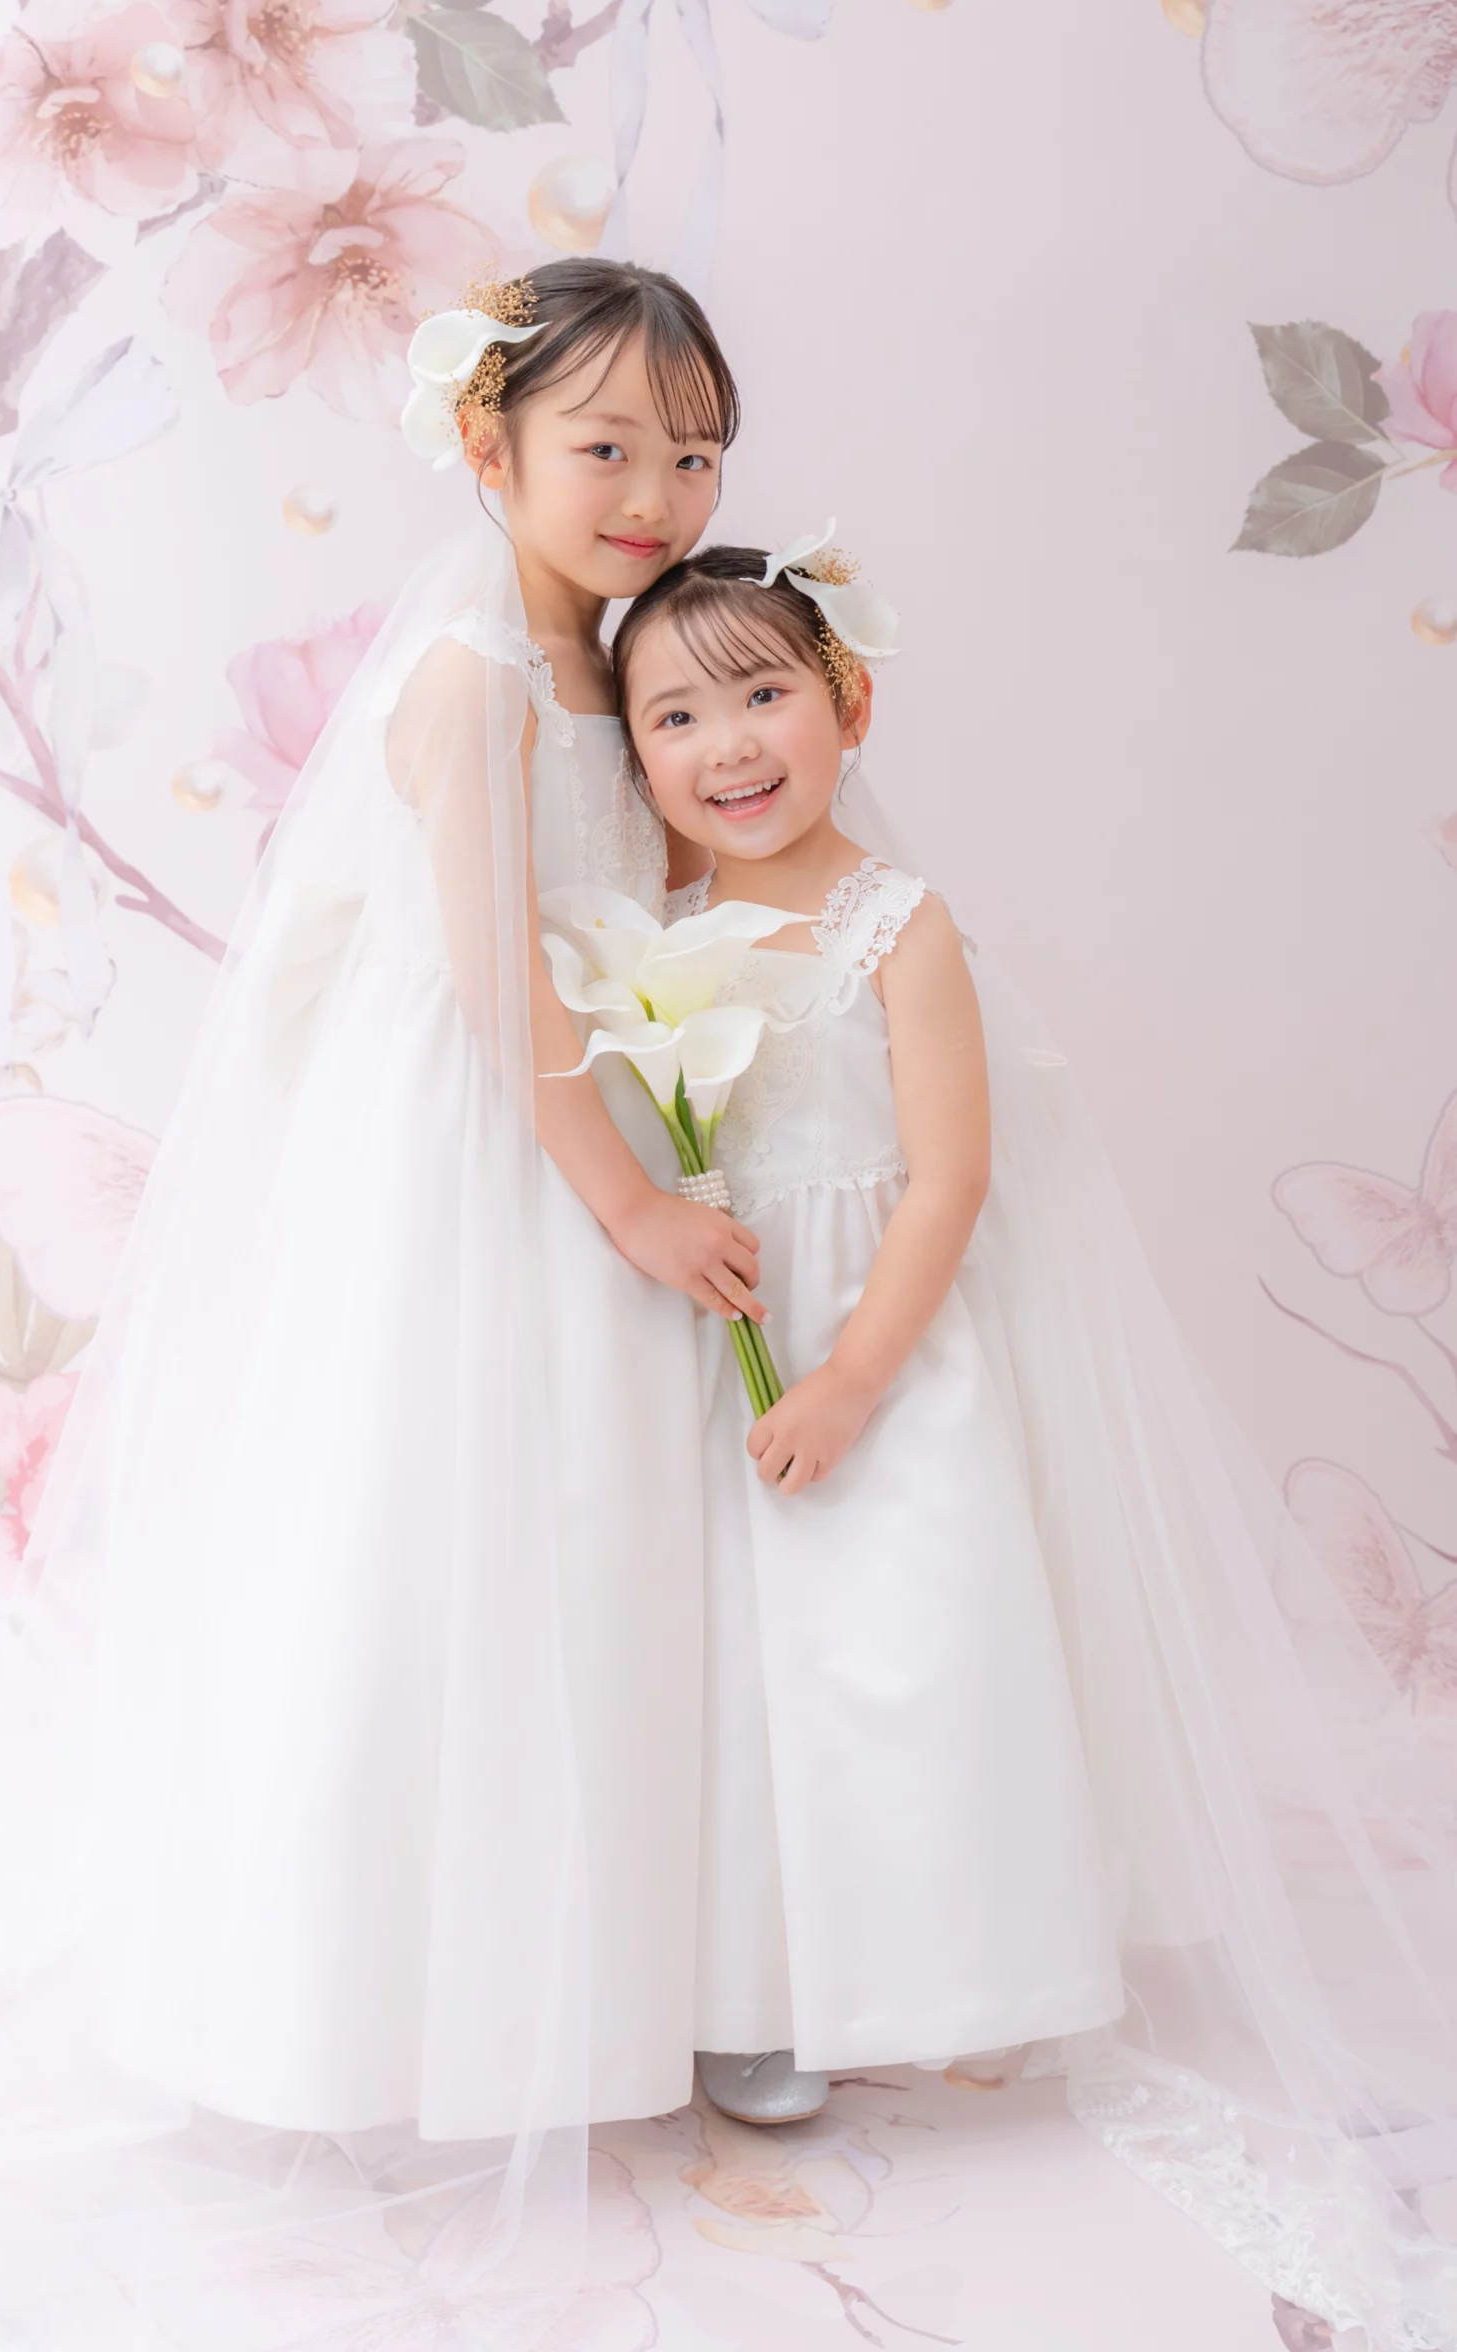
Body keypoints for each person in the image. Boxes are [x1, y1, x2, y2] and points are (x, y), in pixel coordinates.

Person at [0, 261, 761, 2347]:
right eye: (604, 447)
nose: (654, 494)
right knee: (438, 1531)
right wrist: (627, 1203)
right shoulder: (471, 679)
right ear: (484, 446)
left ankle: (630, 1962)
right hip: (478, 1140)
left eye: (692, 454)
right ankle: (370, 1994)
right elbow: (495, 980)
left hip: (592, 1100)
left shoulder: (626, 661)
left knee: (604, 1530)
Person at [595, 534, 1457, 2342]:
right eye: (674, 714)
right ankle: (745, 1985)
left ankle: (924, 1957)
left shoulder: (893, 924)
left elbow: (950, 1177)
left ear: (847, 706)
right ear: (635, 753)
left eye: (762, 693)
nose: (725, 743)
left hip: (880, 1344)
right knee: (732, 1675)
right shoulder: (647, 927)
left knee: (902, 1652)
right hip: (715, 1333)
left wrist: (850, 1379)